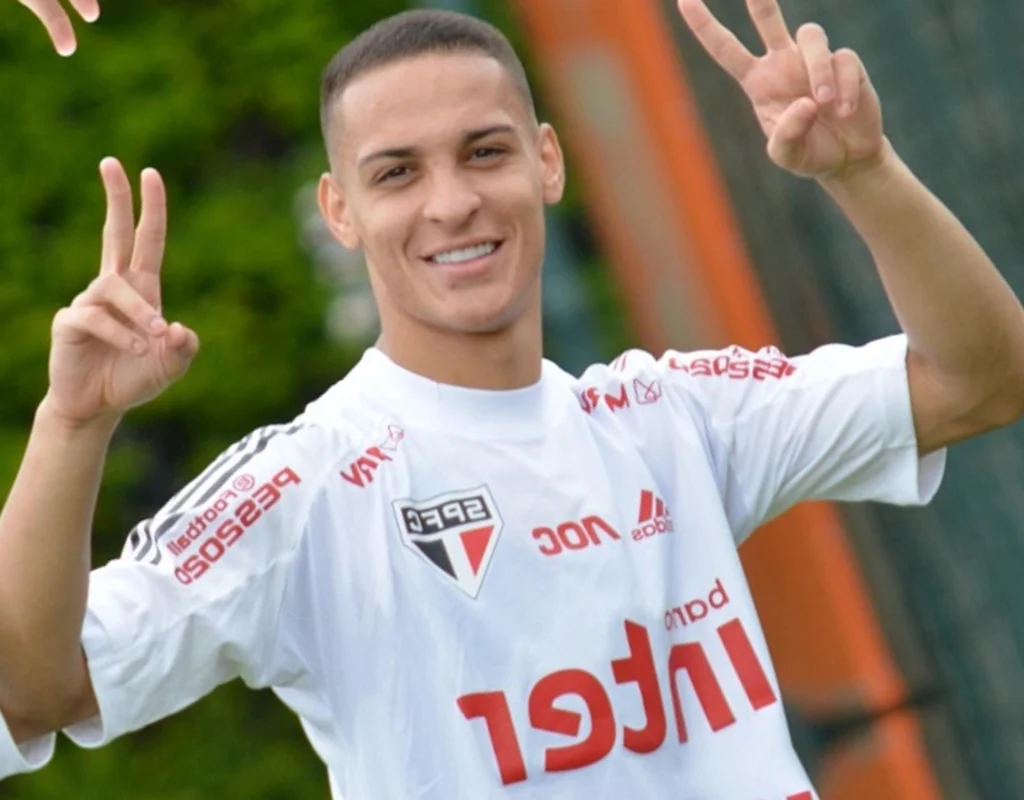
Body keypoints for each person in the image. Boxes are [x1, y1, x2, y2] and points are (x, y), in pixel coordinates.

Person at [3, 1, 1023, 797]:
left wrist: (867, 172)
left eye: (483, 151)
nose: (451, 202)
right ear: (340, 212)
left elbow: (980, 378)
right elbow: (33, 686)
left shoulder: (673, 416)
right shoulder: (304, 485)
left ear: (546, 158)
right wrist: (71, 424)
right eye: (397, 172)